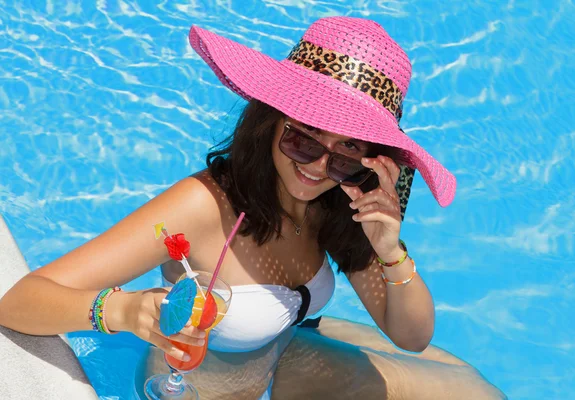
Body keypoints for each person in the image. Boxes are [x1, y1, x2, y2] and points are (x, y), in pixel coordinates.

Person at [0, 16, 505, 399]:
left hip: (284, 353)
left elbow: (410, 335)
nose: (317, 167)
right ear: (271, 121)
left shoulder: (337, 202)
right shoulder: (203, 205)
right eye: (305, 140)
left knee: (474, 391)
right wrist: (126, 309)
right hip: (199, 386)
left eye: (347, 150)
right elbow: (18, 302)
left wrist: (389, 249)